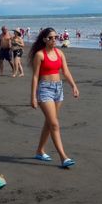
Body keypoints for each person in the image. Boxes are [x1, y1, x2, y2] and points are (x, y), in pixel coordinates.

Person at [29, 27, 79, 168]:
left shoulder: (60, 53)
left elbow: (65, 71)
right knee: (55, 124)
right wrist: (33, 97)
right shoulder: (40, 55)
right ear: (44, 39)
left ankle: (40, 151)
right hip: (45, 90)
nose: (54, 40)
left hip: (58, 89)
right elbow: (35, 77)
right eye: (50, 38)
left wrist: (73, 86)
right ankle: (63, 157)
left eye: (55, 37)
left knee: (49, 123)